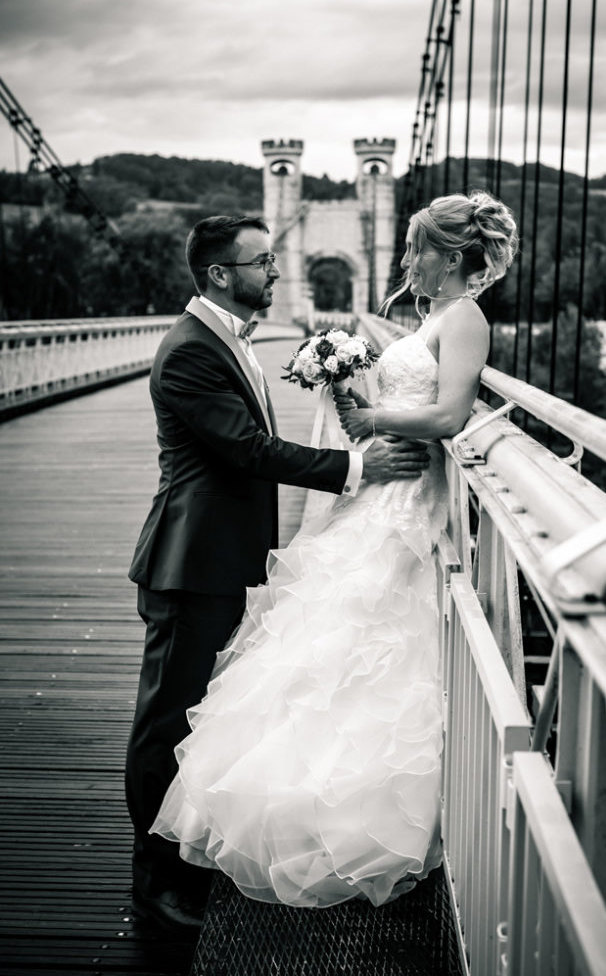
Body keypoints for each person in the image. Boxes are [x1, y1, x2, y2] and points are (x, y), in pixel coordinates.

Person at [150, 192, 518, 910]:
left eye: (415, 248)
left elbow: (446, 413)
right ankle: (311, 818)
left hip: (408, 503)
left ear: (448, 255)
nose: (406, 259)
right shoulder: (431, 317)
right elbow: (409, 408)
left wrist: (371, 410)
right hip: (383, 495)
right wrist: (354, 395)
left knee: (374, 651)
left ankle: (346, 821)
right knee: (338, 650)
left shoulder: (464, 317)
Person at [125, 215, 429, 931]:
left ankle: (182, 859)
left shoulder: (225, 336)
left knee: (197, 713)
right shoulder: (190, 353)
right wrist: (358, 468)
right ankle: (154, 877)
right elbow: (247, 450)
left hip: (219, 555)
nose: (276, 273)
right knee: (167, 720)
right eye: (263, 262)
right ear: (222, 275)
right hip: (189, 562)